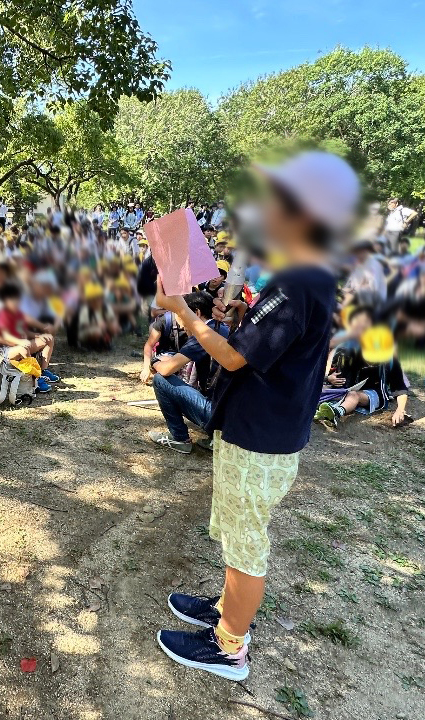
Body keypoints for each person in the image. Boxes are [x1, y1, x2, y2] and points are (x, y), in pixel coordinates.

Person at [152, 150, 359, 681]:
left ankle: (229, 647)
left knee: (247, 546)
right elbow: (261, 343)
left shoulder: (298, 283)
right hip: (260, 429)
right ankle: (226, 611)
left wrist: (182, 314)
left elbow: (233, 357)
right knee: (238, 532)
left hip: (261, 437)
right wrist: (236, 318)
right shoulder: (305, 276)